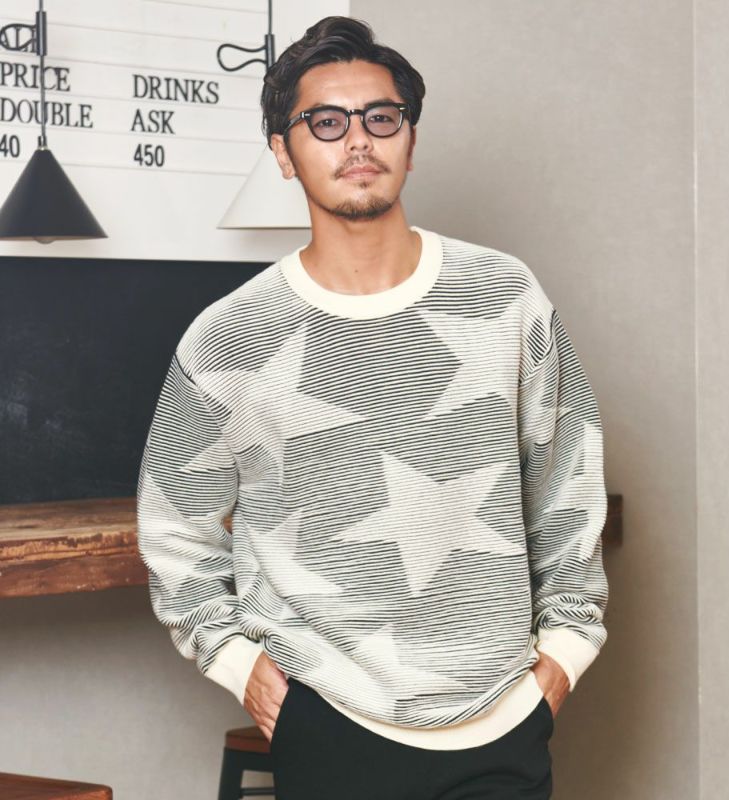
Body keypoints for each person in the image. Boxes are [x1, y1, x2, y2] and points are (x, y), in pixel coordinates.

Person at [136, 15, 609, 800]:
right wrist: (241, 666)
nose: (358, 139)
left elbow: (568, 481)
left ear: (410, 141)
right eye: (326, 122)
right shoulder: (228, 338)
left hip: (504, 720)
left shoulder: (504, 295)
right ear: (283, 153)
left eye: (381, 117)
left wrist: (562, 656)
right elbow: (172, 529)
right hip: (329, 724)